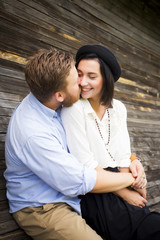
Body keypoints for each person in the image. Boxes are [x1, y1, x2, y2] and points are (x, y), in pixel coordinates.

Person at [4, 48, 142, 240]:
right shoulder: (34, 134)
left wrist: (132, 159)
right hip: (44, 206)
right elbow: (79, 180)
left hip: (72, 193)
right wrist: (132, 181)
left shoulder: (50, 97)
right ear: (60, 95)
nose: (82, 83)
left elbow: (100, 141)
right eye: (76, 79)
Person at [61, 44, 160, 240]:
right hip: (95, 193)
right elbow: (87, 169)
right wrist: (126, 192)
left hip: (118, 181)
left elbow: (123, 156)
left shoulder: (118, 108)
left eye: (92, 76)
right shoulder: (73, 109)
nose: (82, 82)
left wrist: (136, 182)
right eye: (79, 74)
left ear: (105, 80)